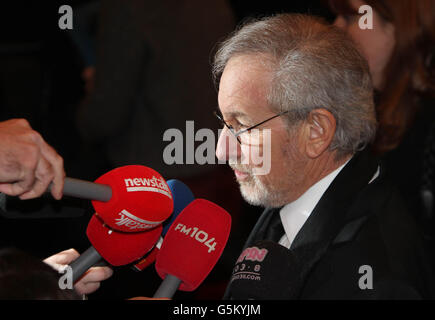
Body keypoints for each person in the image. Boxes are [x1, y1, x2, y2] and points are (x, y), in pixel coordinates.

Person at [212, 13, 434, 299]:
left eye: (243, 126)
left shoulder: (375, 277)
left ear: (315, 131)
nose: (221, 150)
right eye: (224, 122)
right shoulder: (289, 189)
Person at [329, 0, 435, 242]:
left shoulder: (428, 126)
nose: (335, 27)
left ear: (399, 24)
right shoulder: (364, 109)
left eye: (351, 17)